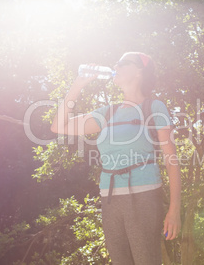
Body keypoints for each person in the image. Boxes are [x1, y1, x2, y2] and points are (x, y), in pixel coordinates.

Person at [50, 52, 181, 265]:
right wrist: (78, 85)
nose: (116, 66)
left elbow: (171, 159)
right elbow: (58, 126)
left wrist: (174, 210)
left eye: (123, 63)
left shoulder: (153, 107)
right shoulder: (108, 113)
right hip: (110, 198)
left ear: (140, 71)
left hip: (144, 194)